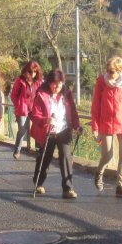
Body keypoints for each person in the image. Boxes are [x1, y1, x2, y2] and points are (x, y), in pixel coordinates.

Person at [29, 69, 82, 198]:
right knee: (45, 157)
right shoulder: (41, 94)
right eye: (54, 84)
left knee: (65, 157)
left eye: (59, 84)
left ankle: (68, 188)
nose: (56, 87)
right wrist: (46, 120)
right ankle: (39, 183)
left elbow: (73, 111)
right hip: (48, 130)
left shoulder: (67, 93)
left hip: (63, 129)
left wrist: (77, 126)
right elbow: (34, 115)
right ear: (49, 83)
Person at [91, 56, 122, 198]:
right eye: (108, 71)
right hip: (105, 124)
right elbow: (95, 105)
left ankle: (120, 186)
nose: (109, 73)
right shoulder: (101, 82)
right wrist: (95, 126)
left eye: (112, 71)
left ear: (119, 70)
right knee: (107, 155)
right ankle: (99, 174)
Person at [10, 60, 43, 159]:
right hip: (23, 109)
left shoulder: (38, 81)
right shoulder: (20, 80)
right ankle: (17, 150)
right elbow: (13, 95)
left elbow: (41, 94)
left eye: (35, 71)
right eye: (31, 71)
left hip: (34, 108)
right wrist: (18, 104)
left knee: (39, 127)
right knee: (22, 130)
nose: (33, 74)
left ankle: (39, 150)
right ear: (26, 70)